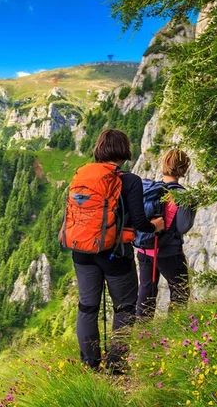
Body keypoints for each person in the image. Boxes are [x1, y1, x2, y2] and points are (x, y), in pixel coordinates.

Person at [69, 129, 165, 372]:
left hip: (82, 251)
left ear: (100, 149)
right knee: (124, 307)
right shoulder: (129, 180)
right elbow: (139, 221)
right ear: (124, 151)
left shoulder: (83, 175)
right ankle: (116, 365)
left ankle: (90, 364)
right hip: (116, 253)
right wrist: (155, 226)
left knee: (87, 306)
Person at [136, 149, 195, 318]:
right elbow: (183, 227)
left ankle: (142, 335)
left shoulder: (151, 189)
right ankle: (174, 331)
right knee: (180, 290)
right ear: (184, 169)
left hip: (145, 249)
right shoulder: (183, 195)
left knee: (146, 292)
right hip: (169, 252)